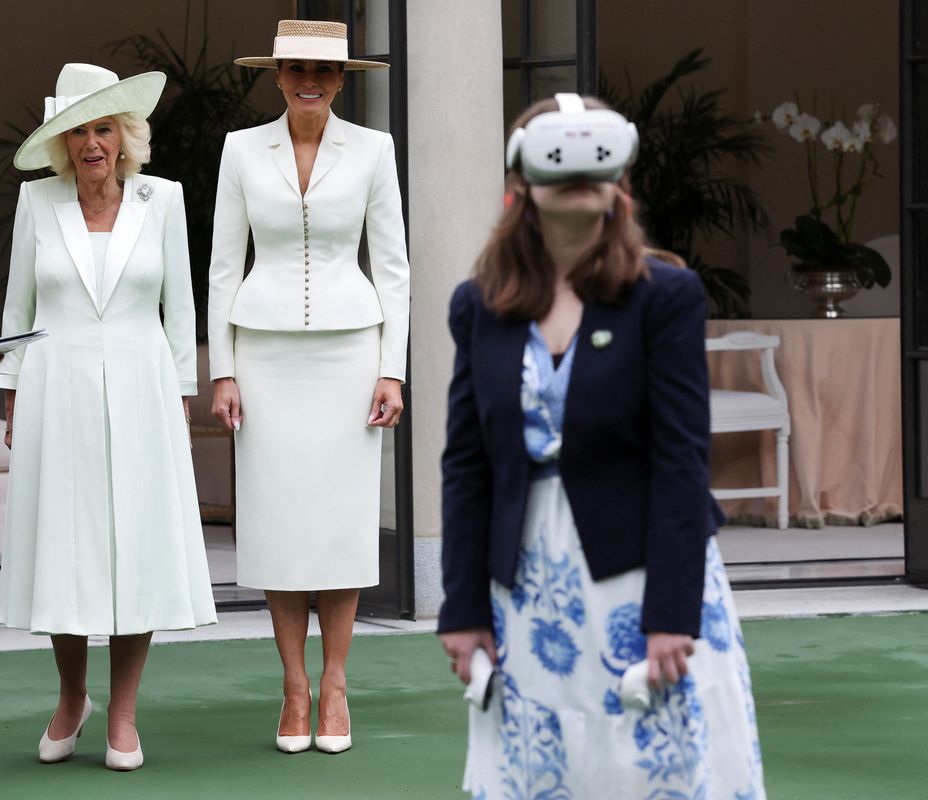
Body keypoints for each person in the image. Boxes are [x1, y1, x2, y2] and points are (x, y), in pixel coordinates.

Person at [437, 95, 766, 798]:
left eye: (595, 154)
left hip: (643, 572)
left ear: (619, 177)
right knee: (546, 767)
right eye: (557, 153)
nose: (577, 170)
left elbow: (682, 459)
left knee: (651, 765)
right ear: (518, 181)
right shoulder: (479, 306)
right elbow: (466, 464)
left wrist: (672, 617)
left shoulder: (665, 295)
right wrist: (461, 611)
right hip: (529, 585)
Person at [0, 63, 216, 772]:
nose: (93, 144)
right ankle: (71, 698)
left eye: (104, 128)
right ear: (63, 144)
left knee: (135, 547)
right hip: (55, 391)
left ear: (126, 135)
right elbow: (16, 309)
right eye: (79, 132)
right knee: (66, 546)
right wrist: (11, 389)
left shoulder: (165, 200)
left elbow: (179, 311)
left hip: (143, 389)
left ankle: (123, 712)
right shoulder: (38, 202)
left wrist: (182, 395)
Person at [207, 20, 410, 755]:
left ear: (343, 78)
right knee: (280, 523)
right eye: (295, 67)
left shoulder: (374, 150)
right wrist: (222, 370)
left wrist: (394, 367)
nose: (308, 79)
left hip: (351, 356)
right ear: (277, 74)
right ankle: (293, 686)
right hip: (263, 357)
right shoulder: (239, 150)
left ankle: (335, 683)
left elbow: (393, 267)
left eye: (322, 69)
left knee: (340, 522)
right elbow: (223, 264)